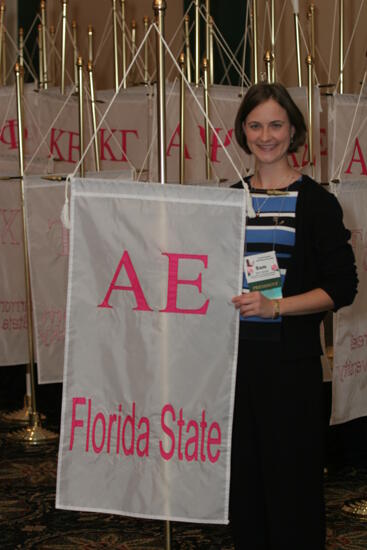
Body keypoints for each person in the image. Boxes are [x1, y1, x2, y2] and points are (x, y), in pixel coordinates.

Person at [229, 83, 358, 550]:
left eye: (276, 124)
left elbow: (343, 288)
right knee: (244, 489)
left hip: (292, 369)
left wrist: (276, 306)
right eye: (256, 124)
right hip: (236, 370)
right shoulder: (228, 201)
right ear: (243, 131)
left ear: (294, 131)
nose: (266, 135)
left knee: (293, 490)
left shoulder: (318, 204)